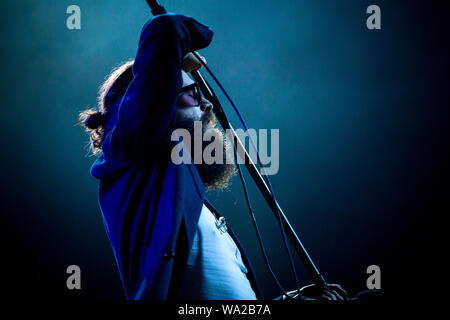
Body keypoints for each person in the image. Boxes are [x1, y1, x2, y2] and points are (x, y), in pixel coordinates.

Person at [79, 13, 346, 301]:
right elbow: (165, 28)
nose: (207, 104)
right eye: (193, 93)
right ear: (147, 105)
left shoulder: (188, 201)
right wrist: (182, 51)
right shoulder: (133, 152)